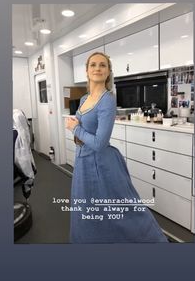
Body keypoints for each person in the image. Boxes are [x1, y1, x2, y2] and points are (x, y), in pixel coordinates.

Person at [65, 52, 168, 243]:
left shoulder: (107, 100)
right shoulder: (84, 98)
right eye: (93, 65)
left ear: (108, 71)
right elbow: (85, 132)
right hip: (83, 161)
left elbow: (99, 143)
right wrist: (77, 132)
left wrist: (75, 128)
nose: (97, 68)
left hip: (100, 164)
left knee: (120, 210)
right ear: (86, 71)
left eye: (102, 65)